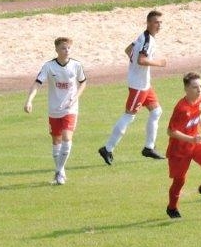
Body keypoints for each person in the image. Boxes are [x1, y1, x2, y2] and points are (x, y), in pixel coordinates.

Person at [99, 10, 167, 165]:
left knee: (156, 111)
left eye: (161, 22)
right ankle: (107, 148)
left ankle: (149, 147)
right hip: (138, 86)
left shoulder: (143, 37)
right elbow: (142, 60)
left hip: (144, 84)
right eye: (156, 22)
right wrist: (159, 63)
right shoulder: (147, 40)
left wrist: (135, 67)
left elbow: (128, 50)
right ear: (148, 23)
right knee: (129, 116)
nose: (159, 25)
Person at [24, 37, 88, 185]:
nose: (66, 51)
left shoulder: (76, 65)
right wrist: (29, 100)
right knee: (56, 141)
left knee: (67, 137)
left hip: (70, 108)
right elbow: (37, 84)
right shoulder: (49, 67)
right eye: (63, 48)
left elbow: (83, 82)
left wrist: (76, 97)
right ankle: (61, 171)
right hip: (54, 109)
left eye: (68, 48)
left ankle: (58, 172)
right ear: (57, 50)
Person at [165, 72, 201, 218]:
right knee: (179, 180)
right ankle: (172, 208)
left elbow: (197, 113)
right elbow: (170, 131)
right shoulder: (181, 109)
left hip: (195, 142)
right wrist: (190, 139)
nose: (199, 90)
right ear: (186, 89)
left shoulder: (200, 99)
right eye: (195, 87)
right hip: (179, 149)